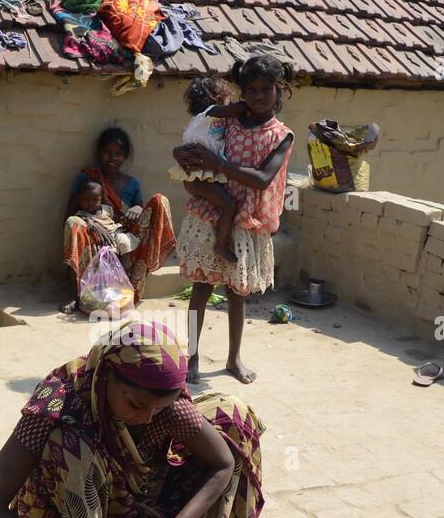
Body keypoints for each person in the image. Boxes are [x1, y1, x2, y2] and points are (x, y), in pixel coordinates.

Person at [0, 320, 266, 518]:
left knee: (233, 416)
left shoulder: (165, 407)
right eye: (136, 405)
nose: (147, 418)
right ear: (106, 374)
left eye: (159, 408)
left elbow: (223, 463)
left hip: (136, 501)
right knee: (74, 448)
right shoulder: (57, 402)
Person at [173, 56, 295, 384]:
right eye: (250, 89)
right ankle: (193, 356)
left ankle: (233, 358)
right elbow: (197, 139)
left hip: (247, 221)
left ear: (279, 89)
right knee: (201, 286)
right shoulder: (229, 120)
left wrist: (218, 164)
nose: (257, 96)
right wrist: (182, 155)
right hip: (211, 213)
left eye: (265, 89)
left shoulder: (282, 136)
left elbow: (261, 179)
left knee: (236, 294)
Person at [62, 127, 176, 315]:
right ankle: (78, 294)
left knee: (159, 200)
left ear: (125, 157)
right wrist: (93, 225)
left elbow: (141, 211)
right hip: (93, 236)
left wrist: (136, 209)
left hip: (122, 237)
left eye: (118, 154)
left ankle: (129, 281)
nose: (112, 158)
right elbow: (71, 213)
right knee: (73, 223)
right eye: (107, 153)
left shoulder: (132, 184)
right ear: (99, 154)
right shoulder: (88, 178)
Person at [167, 77, 244, 263]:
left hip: (195, 178)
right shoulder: (211, 112)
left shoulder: (200, 120)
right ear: (216, 98)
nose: (230, 102)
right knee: (229, 206)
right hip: (199, 177)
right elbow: (237, 109)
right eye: (227, 97)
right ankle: (220, 246)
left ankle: (218, 234)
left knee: (220, 207)